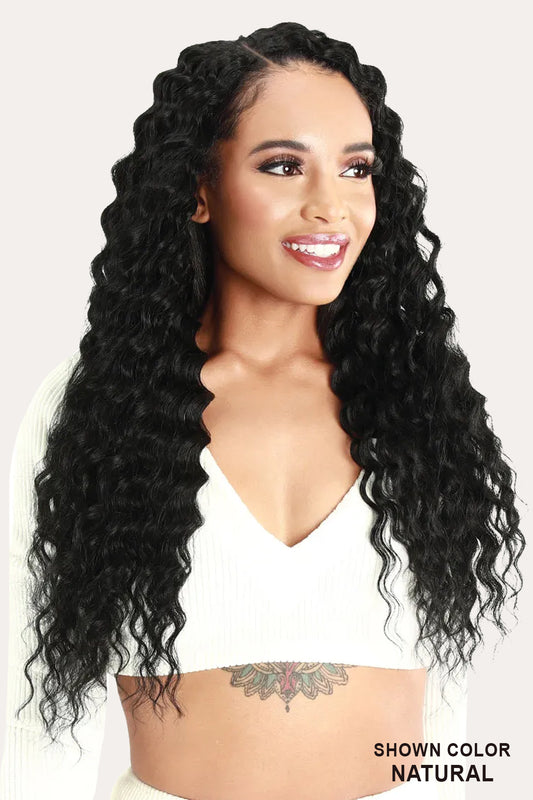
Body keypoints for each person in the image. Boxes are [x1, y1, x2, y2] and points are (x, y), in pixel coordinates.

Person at [0, 20, 525, 800]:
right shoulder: (100, 404)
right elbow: (39, 702)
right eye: (283, 166)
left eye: (355, 169)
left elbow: (447, 687)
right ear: (198, 190)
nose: (330, 207)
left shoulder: (421, 398)